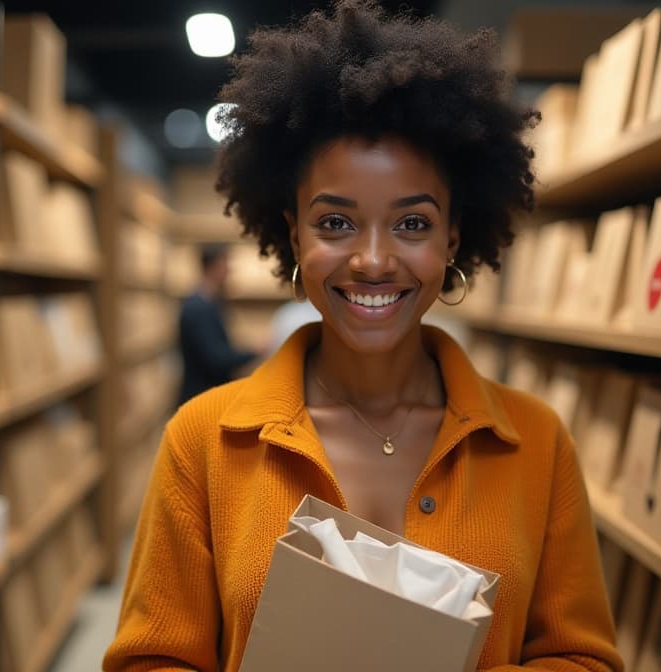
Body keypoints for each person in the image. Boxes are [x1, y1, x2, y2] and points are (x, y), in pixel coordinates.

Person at [105, 2, 622, 670]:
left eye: (411, 224)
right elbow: (151, 659)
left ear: (452, 239)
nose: (374, 260)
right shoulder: (202, 441)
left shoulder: (536, 442)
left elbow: (583, 657)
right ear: (293, 234)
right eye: (336, 223)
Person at [177, 243, 257, 405]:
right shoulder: (199, 307)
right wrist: (252, 351)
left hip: (205, 395)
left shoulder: (209, 303)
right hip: (201, 397)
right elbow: (215, 358)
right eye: (226, 264)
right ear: (215, 267)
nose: (229, 271)